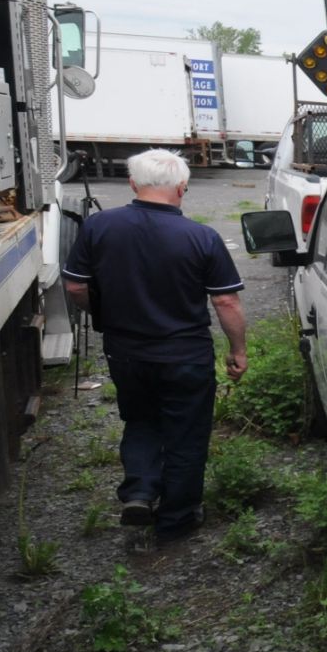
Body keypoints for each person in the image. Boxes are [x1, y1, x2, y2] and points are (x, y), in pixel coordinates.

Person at [62, 149, 247, 542]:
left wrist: (102, 314)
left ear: (132, 184)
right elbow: (226, 301)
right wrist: (238, 350)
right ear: (182, 187)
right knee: (186, 432)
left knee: (141, 419)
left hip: (125, 351)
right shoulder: (202, 237)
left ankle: (141, 492)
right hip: (185, 354)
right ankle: (177, 518)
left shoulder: (99, 227)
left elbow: (76, 285)